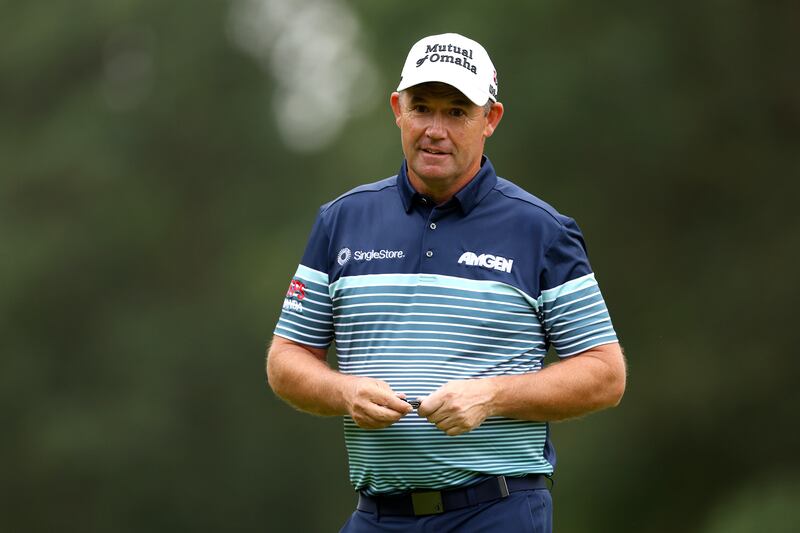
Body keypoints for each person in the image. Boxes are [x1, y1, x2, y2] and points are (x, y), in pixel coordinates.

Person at [267, 32, 626, 533]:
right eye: (422, 108)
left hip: (496, 513)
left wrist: (492, 397)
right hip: (377, 516)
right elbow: (286, 361)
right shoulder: (341, 221)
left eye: (457, 112)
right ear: (398, 109)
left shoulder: (540, 230)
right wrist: (343, 392)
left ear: (490, 119)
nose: (435, 129)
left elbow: (605, 374)